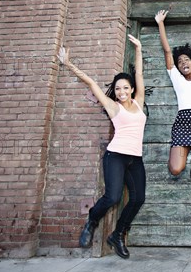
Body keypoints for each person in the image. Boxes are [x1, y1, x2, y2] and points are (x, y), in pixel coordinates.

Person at [61, 34, 146, 259]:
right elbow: (91, 83)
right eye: (118, 89)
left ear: (131, 89)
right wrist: (69, 65)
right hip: (116, 156)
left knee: (138, 199)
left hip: (135, 158)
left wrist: (138, 49)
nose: (121, 92)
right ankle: (91, 221)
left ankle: (117, 234)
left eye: (125, 88)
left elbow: (139, 73)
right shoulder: (112, 106)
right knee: (113, 197)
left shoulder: (139, 101)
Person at [155, 6, 191, 181]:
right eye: (179, 61)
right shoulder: (176, 78)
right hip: (182, 121)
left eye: (186, 59)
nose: (182, 63)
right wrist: (160, 24)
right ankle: (187, 149)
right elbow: (167, 51)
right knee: (175, 169)